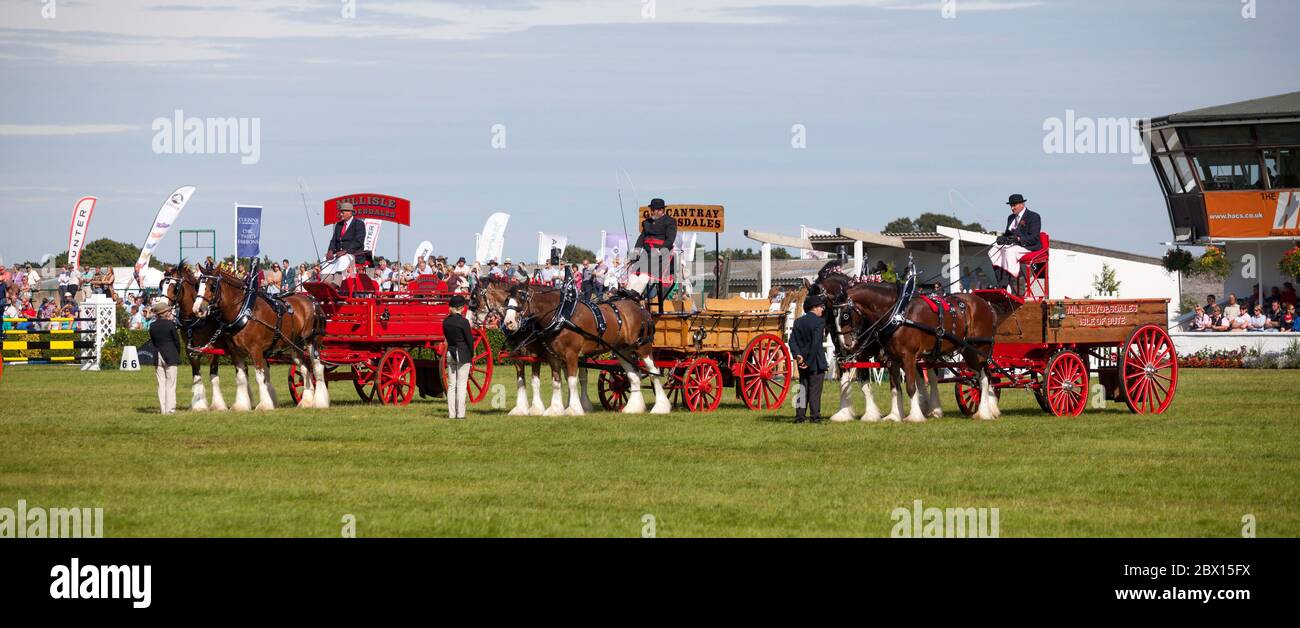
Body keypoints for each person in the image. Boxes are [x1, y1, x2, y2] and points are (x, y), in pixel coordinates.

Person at [987, 194, 1042, 292]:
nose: (1012, 208)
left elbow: (1034, 237)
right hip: (1014, 245)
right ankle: (1001, 281)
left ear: (1022, 204)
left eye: (1014, 205)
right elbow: (1008, 234)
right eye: (1011, 206)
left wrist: (1018, 239)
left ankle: (1009, 283)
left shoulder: (1033, 216)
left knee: (1009, 251)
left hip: (1028, 246)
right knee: (993, 250)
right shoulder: (1011, 218)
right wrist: (1002, 238)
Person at [789, 295, 828, 423]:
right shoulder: (819, 322)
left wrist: (798, 356)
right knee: (815, 391)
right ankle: (815, 417)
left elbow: (792, 341)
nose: (822, 310)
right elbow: (816, 343)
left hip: (802, 361)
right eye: (821, 307)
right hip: (815, 362)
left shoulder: (798, 322)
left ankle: (799, 417)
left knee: (802, 389)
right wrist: (809, 362)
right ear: (814, 308)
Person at [634, 198, 678, 302]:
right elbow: (642, 237)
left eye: (656, 210)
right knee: (634, 273)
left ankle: (635, 295)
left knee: (644, 273)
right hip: (647, 253)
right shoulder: (647, 222)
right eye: (652, 210)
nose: (654, 212)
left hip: (661, 255)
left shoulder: (670, 221)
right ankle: (631, 293)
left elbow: (670, 239)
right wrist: (636, 251)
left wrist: (661, 250)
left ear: (662, 210)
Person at [442, 295, 474, 420]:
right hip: (463, 353)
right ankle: (460, 414)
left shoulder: (446, 321)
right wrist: (471, 355)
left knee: (451, 386)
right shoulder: (464, 322)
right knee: (461, 385)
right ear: (461, 307)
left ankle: (451, 414)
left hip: (451, 352)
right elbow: (470, 341)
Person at [322, 202, 366, 288]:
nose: (341, 214)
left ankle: (335, 284)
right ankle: (325, 282)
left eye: (343, 212)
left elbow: (358, 241)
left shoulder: (359, 224)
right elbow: (333, 240)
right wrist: (330, 251)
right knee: (325, 259)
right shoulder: (339, 225)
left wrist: (345, 251)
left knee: (342, 259)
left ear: (350, 213)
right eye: (340, 212)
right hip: (339, 254)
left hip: (353, 254)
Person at [149, 300, 182, 415]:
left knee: (161, 384)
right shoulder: (171, 324)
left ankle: (163, 409)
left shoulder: (152, 326)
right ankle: (170, 409)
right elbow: (177, 341)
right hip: (170, 355)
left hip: (157, 355)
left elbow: (153, 341)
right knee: (171, 384)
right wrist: (177, 353)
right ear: (166, 313)